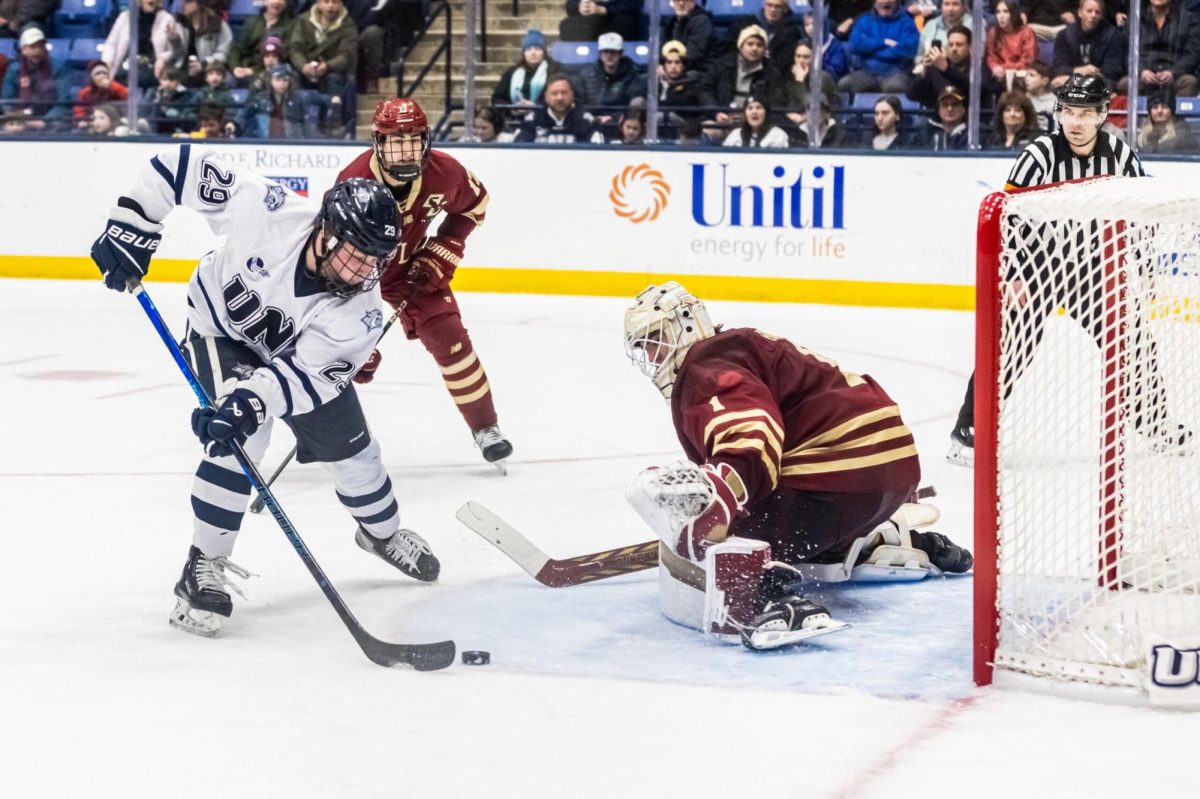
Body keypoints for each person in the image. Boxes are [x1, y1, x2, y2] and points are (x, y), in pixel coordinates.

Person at [87, 144, 442, 636]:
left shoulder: (360, 313)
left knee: (357, 455)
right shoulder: (267, 208)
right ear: (325, 232)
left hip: (292, 368)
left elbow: (297, 381)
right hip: (220, 333)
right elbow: (181, 168)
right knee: (241, 443)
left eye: (373, 262)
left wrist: (251, 400)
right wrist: (133, 222)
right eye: (354, 256)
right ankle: (202, 564)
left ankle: (383, 534)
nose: (363, 272)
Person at [623, 282, 972, 651]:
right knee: (765, 509)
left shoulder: (705, 369)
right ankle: (868, 541)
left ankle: (771, 600)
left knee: (725, 536)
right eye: (644, 346)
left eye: (656, 339)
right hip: (884, 472)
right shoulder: (740, 346)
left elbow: (749, 434)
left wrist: (718, 504)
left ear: (688, 325)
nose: (651, 353)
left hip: (838, 482)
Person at [947, 75, 1188, 466]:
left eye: (1085, 114)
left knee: (1133, 339)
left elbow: (1140, 214)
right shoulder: (1039, 154)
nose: (1075, 122)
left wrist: (1143, 267)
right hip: (1037, 265)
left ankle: (1154, 423)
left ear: (1102, 115)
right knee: (1011, 347)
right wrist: (1013, 274)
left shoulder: (1121, 155)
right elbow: (1008, 217)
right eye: (1069, 112)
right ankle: (967, 430)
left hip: (1092, 268)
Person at [338, 98, 513, 469]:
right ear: (377, 143)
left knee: (451, 339)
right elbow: (332, 262)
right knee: (332, 360)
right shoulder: (354, 183)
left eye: (413, 141)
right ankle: (313, 434)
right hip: (353, 281)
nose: (405, 153)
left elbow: (474, 205)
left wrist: (446, 247)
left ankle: (486, 428)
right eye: (395, 142)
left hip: (409, 272)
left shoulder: (444, 172)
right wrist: (347, 337)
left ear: (427, 140)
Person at [1120, 0, 1200, 98]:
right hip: (1143, 77)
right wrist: (1141, 71)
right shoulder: (1135, 19)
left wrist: (1173, 72)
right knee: (1126, 84)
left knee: (1190, 82)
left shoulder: (1188, 19)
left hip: (1175, 77)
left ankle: (1174, 113)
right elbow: (1126, 52)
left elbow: (1192, 54)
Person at [838, 0, 920, 95]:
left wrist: (870, 51)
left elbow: (909, 50)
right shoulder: (864, 21)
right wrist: (884, 42)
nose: (886, 1)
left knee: (895, 87)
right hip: (867, 73)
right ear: (874, 2)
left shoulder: (908, 22)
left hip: (897, 73)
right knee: (845, 84)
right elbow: (855, 45)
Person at [101, 0, 183, 88]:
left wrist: (164, 56)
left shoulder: (167, 18)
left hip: (152, 71)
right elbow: (111, 45)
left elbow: (177, 51)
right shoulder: (125, 17)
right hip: (126, 69)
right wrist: (106, 65)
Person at [1, 25, 69, 129]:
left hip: (51, 121)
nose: (38, 50)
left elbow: (64, 100)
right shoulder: (14, 70)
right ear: (23, 50)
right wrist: (19, 118)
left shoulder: (58, 68)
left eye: (41, 46)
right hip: (20, 121)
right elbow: (7, 100)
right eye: (33, 47)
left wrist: (46, 120)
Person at [1051, 0, 1126, 90]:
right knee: (1056, 84)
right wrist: (1078, 71)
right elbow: (1058, 67)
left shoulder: (1113, 35)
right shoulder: (1064, 35)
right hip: (1072, 77)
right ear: (1080, 13)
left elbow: (1113, 69)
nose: (1093, 15)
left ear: (1102, 16)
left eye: (1097, 12)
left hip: (1103, 80)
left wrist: (1090, 73)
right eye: (1089, 11)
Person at [514, 74, 605, 143]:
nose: (559, 98)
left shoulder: (586, 120)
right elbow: (517, 151)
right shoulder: (533, 119)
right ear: (546, 96)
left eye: (564, 93)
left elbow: (597, 153)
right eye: (554, 93)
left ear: (572, 95)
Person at [573, 31, 645, 119]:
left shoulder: (632, 76)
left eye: (613, 52)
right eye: (605, 51)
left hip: (619, 125)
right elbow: (578, 102)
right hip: (588, 122)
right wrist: (589, 117)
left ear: (621, 53)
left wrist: (613, 118)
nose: (609, 55)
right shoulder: (586, 74)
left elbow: (633, 106)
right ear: (599, 54)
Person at [228, 0, 293, 86]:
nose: (277, 2)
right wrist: (236, 67)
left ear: (285, 3)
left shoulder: (291, 25)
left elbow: (286, 56)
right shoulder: (252, 22)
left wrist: (254, 71)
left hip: (272, 70)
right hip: (246, 67)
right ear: (265, 2)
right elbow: (237, 49)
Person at [492, 30, 557, 109]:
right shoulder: (512, 72)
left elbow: (557, 97)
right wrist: (513, 107)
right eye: (528, 49)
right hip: (514, 114)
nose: (533, 53)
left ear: (544, 52)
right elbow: (497, 98)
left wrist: (534, 105)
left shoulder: (554, 71)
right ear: (523, 53)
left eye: (537, 49)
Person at [986, 0, 1038, 89]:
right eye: (998, 12)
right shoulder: (993, 32)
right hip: (1000, 75)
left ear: (1014, 13)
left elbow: (1027, 60)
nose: (1001, 16)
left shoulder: (1026, 32)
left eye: (1006, 11)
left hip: (1021, 73)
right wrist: (995, 67)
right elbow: (991, 56)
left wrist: (1004, 67)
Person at [914, 0, 973, 74]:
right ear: (941, 7)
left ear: (963, 7)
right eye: (946, 4)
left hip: (962, 73)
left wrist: (944, 58)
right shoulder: (930, 25)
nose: (950, 9)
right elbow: (919, 56)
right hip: (931, 72)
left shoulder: (974, 25)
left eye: (955, 4)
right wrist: (924, 61)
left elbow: (978, 57)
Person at [661, 0, 717, 74]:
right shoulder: (671, 24)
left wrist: (669, 69)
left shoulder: (702, 22)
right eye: (677, 0)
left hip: (699, 72)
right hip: (677, 69)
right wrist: (661, 65)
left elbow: (694, 55)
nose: (681, 3)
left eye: (686, 0)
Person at [1137, 88, 1197, 153]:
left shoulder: (1184, 136)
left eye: (1164, 107)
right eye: (1155, 107)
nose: (1159, 111)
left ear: (1171, 111)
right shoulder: (1142, 138)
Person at [74, 61, 129, 126]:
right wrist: (82, 120)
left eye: (104, 73)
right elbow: (79, 110)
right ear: (92, 78)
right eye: (98, 74)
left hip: (113, 123)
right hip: (93, 122)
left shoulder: (115, 87)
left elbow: (127, 96)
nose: (102, 76)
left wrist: (111, 86)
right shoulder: (85, 92)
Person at [559, 0, 640, 43]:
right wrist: (579, 6)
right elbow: (570, 5)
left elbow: (633, 5)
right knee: (566, 25)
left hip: (615, 19)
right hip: (590, 22)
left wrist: (604, 9)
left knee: (625, 23)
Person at [722, 95, 788, 147]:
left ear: (766, 113)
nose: (754, 112)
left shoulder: (777, 135)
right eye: (750, 108)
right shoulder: (735, 134)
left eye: (759, 108)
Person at [921, 85, 968, 150]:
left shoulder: (975, 133)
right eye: (945, 105)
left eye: (955, 104)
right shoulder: (925, 133)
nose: (950, 109)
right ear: (938, 109)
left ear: (963, 109)